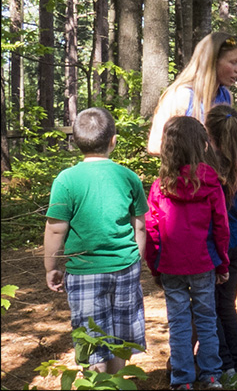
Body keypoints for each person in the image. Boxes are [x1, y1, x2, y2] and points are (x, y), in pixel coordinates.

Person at [43, 107, 148, 374]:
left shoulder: (66, 180)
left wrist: (51, 266)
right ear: (113, 140)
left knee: (91, 337)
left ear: (75, 141)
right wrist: (139, 259)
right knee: (122, 335)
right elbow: (140, 226)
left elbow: (56, 229)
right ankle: (116, 379)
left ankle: (98, 382)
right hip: (125, 267)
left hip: (84, 272)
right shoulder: (128, 176)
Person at [145, 116, 231, 390]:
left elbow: (152, 229)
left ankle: (182, 380)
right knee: (206, 319)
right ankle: (211, 376)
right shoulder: (211, 183)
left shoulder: (161, 186)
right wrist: (222, 264)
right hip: (203, 263)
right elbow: (222, 227)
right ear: (203, 146)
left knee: (179, 321)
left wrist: (154, 266)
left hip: (171, 264)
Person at [204, 105, 237, 385]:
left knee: (212, 307)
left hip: (214, 243)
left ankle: (226, 365)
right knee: (227, 307)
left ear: (209, 131)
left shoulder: (208, 165)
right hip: (235, 241)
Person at [147, 32, 237, 155]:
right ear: (212, 61)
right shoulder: (182, 96)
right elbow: (155, 145)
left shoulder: (225, 96)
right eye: (233, 62)